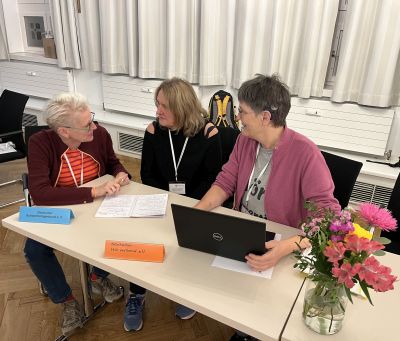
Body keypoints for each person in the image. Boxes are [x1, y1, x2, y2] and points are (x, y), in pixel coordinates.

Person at [195, 74, 341, 341]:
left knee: (268, 310)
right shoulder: (245, 141)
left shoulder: (306, 154)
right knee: (205, 280)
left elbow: (327, 218)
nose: (237, 117)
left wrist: (285, 247)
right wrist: (198, 212)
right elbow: (225, 181)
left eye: (242, 112)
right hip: (244, 233)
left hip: (282, 243)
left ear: (264, 117)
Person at [24, 92, 130, 335]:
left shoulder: (99, 134)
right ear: (64, 131)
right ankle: (67, 301)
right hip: (59, 209)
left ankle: (97, 277)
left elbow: (113, 163)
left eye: (91, 119)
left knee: (120, 230)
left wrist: (121, 174)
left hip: (96, 205)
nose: (94, 126)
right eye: (86, 125)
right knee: (34, 251)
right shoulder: (40, 143)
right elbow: (40, 194)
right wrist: (93, 191)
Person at [124, 77, 222, 332]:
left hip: (196, 203)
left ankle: (186, 290)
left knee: (187, 241)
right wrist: (165, 203)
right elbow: (148, 173)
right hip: (160, 199)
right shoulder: (154, 131)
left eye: (164, 106)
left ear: (181, 107)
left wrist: (186, 206)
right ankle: (136, 293)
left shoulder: (208, 133)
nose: (157, 111)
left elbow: (213, 180)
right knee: (144, 236)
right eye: (157, 104)